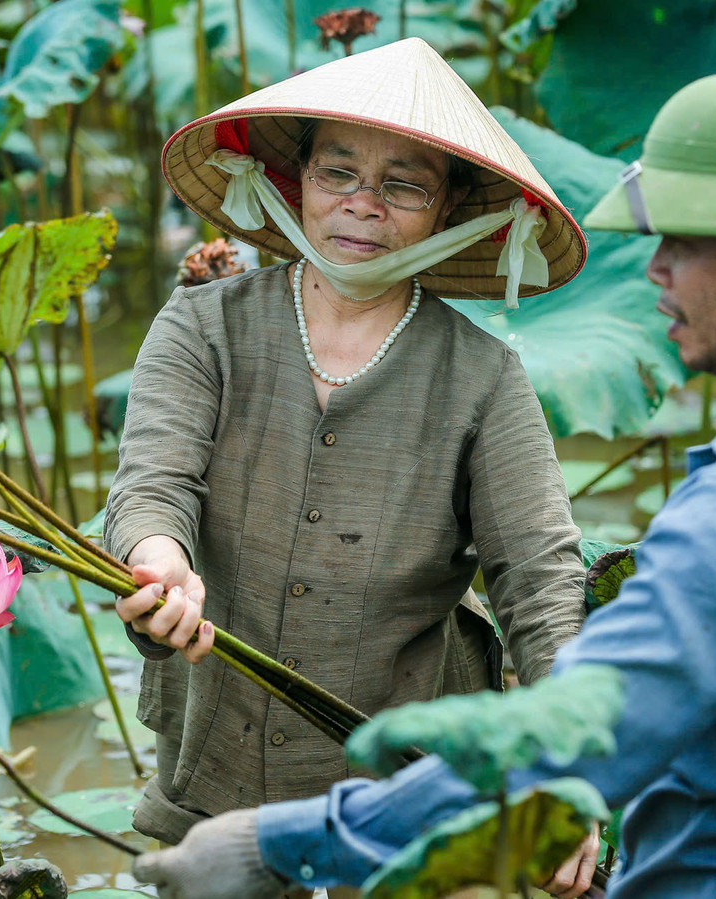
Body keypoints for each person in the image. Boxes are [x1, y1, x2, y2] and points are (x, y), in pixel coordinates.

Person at [130, 66, 716, 898]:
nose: (655, 271)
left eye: (683, 244)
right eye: (338, 172)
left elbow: (574, 734)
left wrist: (271, 844)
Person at [103, 37, 594, 858]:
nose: (364, 204)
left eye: (403, 185)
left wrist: (562, 772)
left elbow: (540, 583)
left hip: (402, 794)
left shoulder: (485, 378)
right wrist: (161, 566)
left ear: (451, 212)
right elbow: (153, 486)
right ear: (298, 183)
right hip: (210, 772)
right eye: (338, 174)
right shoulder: (202, 325)